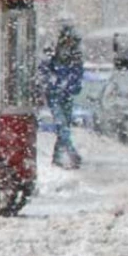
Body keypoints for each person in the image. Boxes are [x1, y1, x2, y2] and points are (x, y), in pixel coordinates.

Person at [41, 24, 84, 169]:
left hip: (65, 95)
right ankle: (71, 153)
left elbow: (77, 76)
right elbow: (45, 70)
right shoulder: (54, 53)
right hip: (56, 95)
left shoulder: (74, 57)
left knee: (63, 126)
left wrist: (69, 85)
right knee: (62, 126)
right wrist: (54, 82)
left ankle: (58, 156)